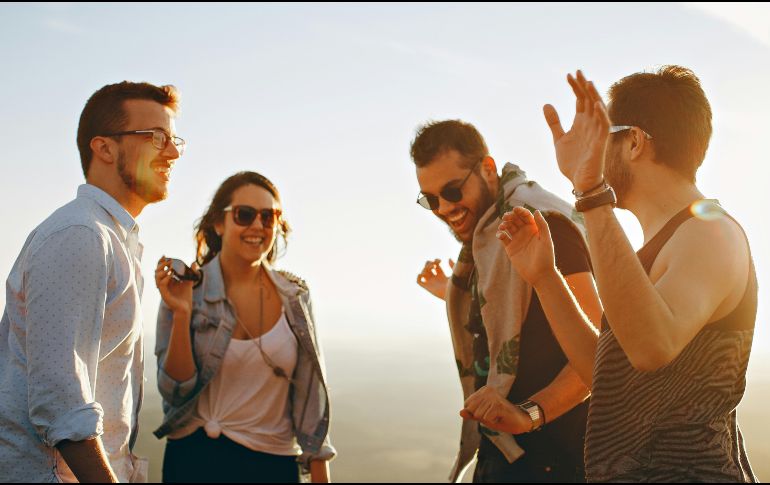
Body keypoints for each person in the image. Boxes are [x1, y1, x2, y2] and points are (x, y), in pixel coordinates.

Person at [471, 67, 758, 482]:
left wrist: (590, 192)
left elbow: (650, 348)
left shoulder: (710, 232)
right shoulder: (660, 245)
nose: (594, 152)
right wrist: (545, 278)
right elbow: (610, 378)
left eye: (602, 137)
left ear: (635, 142)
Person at [0, 81, 184, 482]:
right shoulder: (81, 234)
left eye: (174, 140)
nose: (172, 152)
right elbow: (62, 403)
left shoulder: (112, 239)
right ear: (104, 148)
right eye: (156, 137)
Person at [412, 120, 603, 483]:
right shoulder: (488, 234)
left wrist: (530, 414)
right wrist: (453, 293)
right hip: (505, 452)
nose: (444, 208)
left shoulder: (541, 225)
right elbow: (516, 313)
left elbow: (599, 351)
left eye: (452, 191)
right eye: (431, 200)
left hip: (556, 459)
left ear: (487, 169)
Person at [153, 171, 335, 483]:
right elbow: (175, 392)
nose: (257, 226)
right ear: (219, 223)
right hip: (193, 462)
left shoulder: (295, 298)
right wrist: (182, 314)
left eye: (269, 216)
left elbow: (311, 404)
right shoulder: (187, 290)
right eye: (245, 215)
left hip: (272, 467)